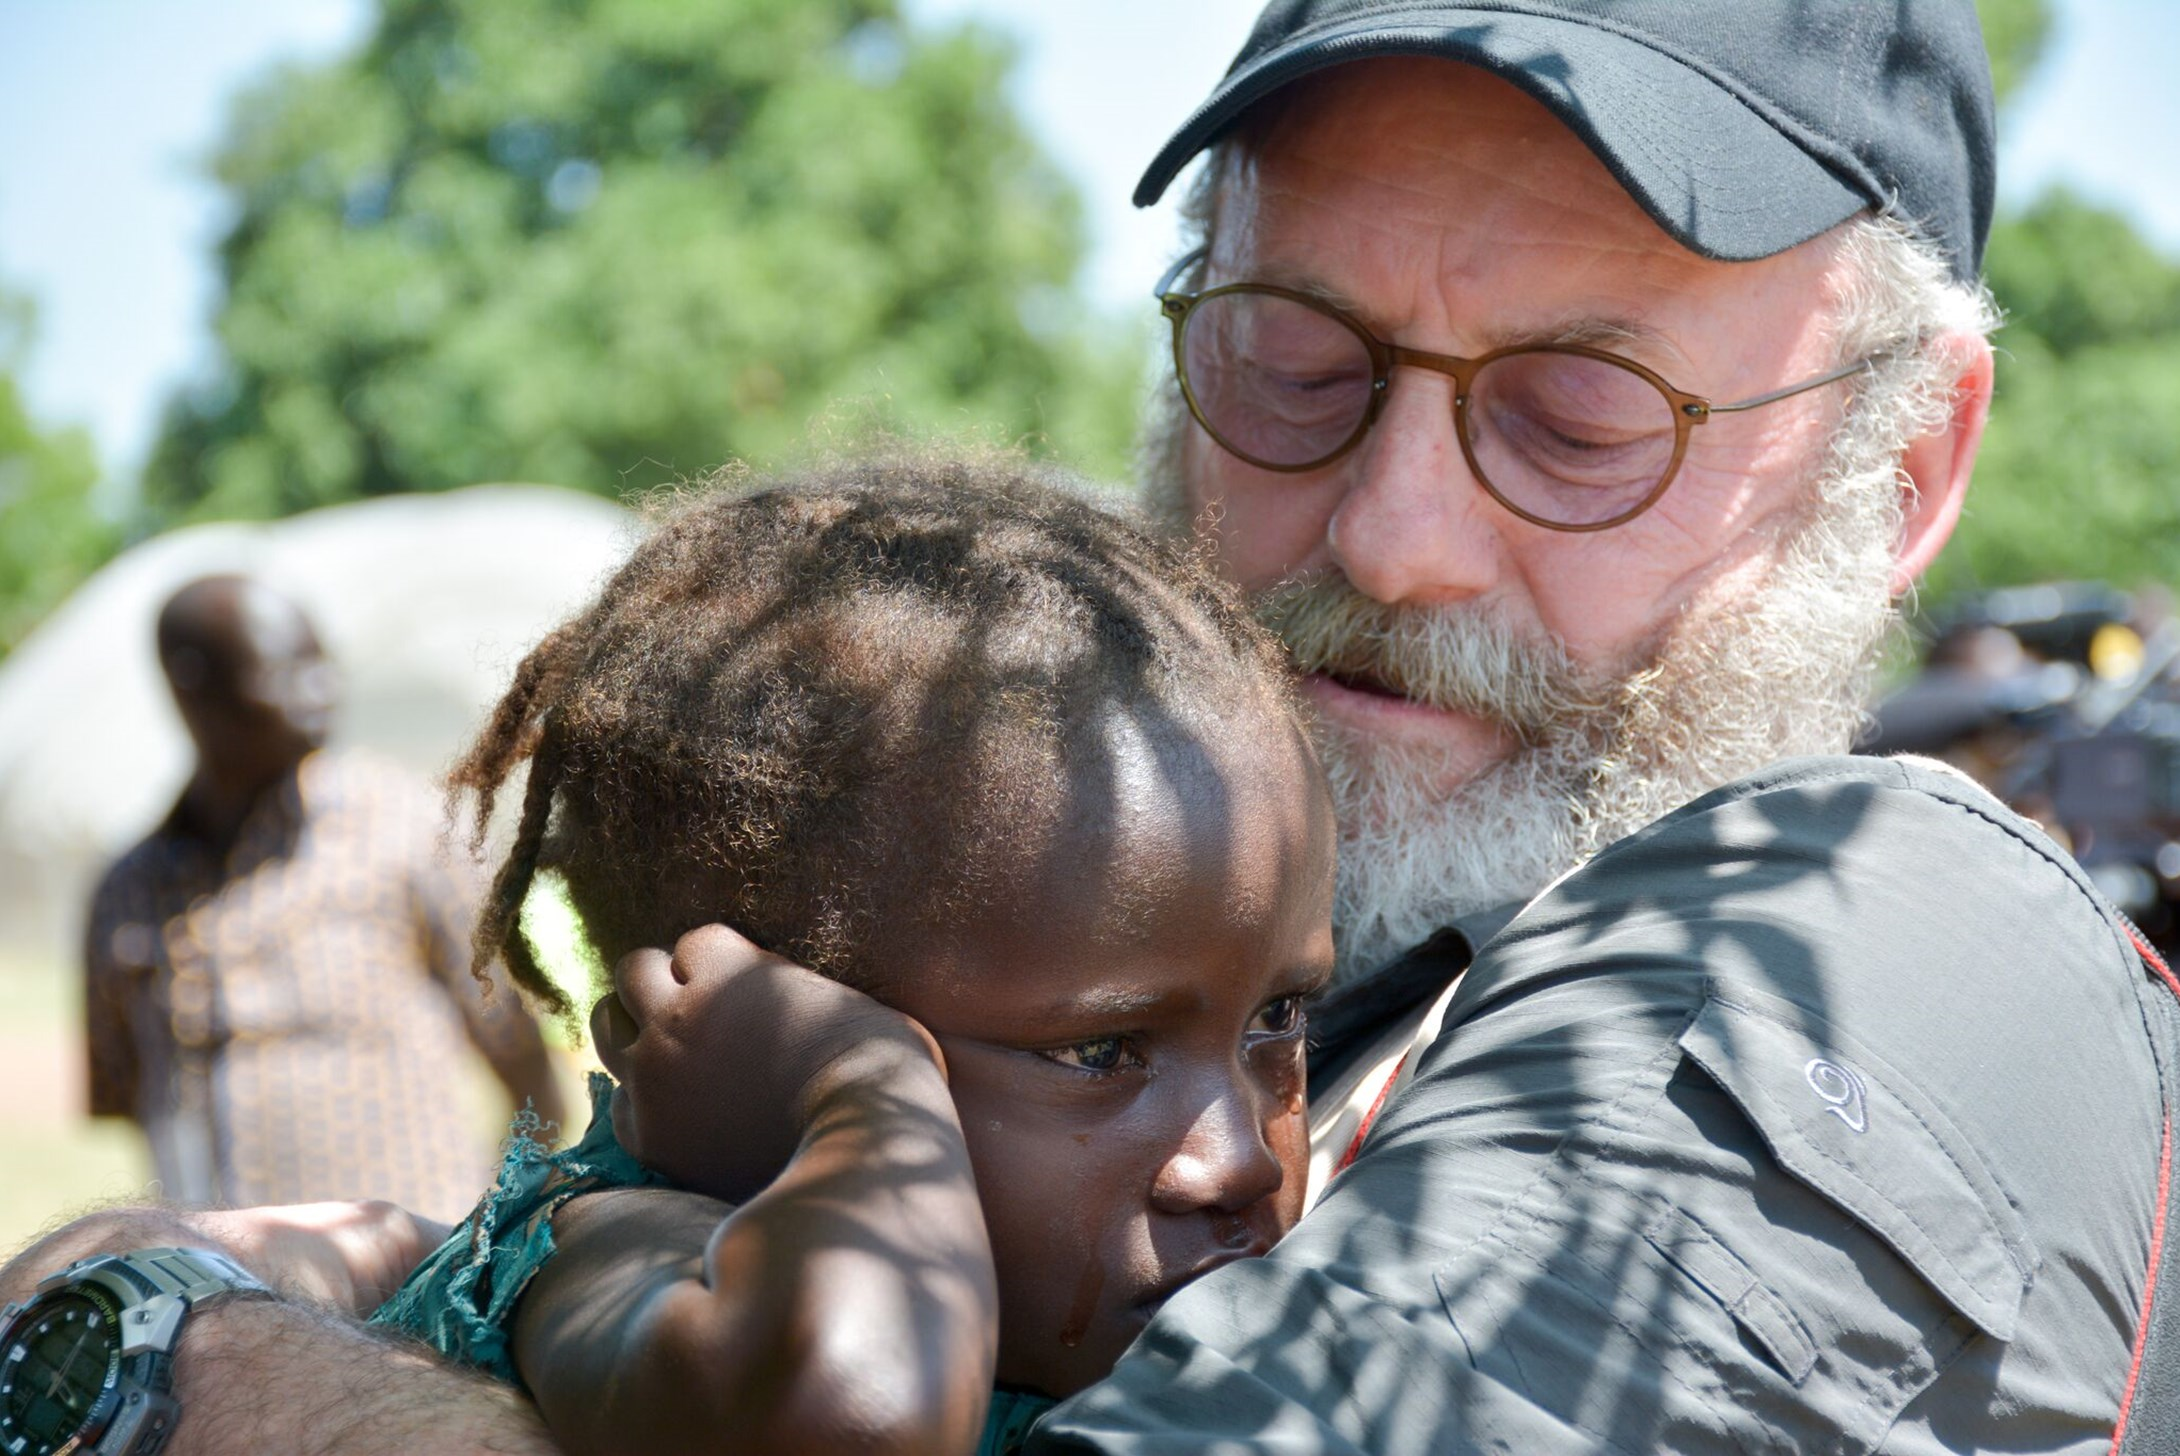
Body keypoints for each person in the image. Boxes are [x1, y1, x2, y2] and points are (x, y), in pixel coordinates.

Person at [6, 1, 2175, 1451]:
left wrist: (185, 1359)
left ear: (1902, 472)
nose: (1396, 533)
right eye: (1290, 360)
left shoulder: (1869, 928)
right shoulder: (1251, 978)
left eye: (1583, 415)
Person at [366, 458, 1333, 1456]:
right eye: (1100, 1051)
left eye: (1278, 1016)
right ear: (719, 1042)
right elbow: (860, 1405)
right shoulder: (608, 1245)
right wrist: (862, 1081)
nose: (1241, 1160)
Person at [82, 574, 565, 1219]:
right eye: (287, 670)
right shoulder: (129, 892)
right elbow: (128, 1097)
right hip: (228, 1297)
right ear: (190, 685)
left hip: (407, 1288)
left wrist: (497, 1230)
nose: (324, 691)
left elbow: (519, 1052)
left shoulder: (403, 827)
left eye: (323, 664)